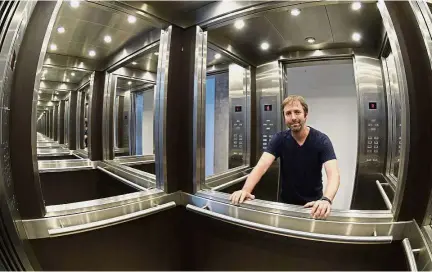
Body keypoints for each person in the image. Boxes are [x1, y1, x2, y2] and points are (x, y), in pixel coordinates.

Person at [230, 95, 340, 219]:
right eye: (288, 113)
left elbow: (333, 174)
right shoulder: (279, 139)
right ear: (284, 117)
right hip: (286, 205)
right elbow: (261, 167)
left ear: (306, 114)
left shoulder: (322, 140)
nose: (293, 117)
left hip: (313, 206)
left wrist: (326, 200)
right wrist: (245, 190)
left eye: (297, 112)